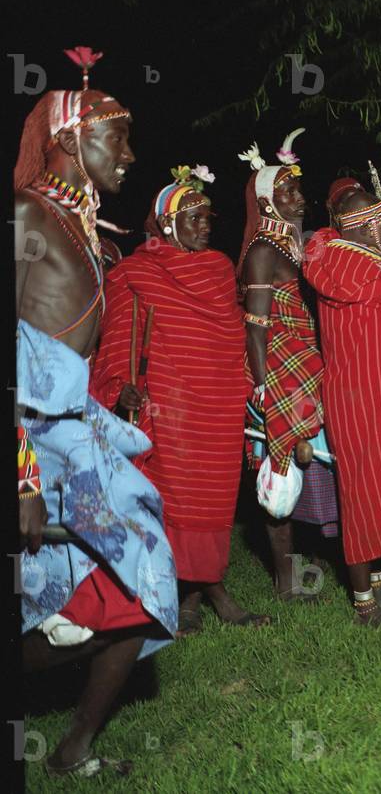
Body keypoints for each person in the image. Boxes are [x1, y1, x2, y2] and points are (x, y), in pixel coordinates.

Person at [14, 52, 177, 776]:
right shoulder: (26, 214)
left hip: (78, 440)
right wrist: (19, 473)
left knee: (137, 587)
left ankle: (74, 745)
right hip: (30, 447)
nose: (132, 155)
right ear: (72, 136)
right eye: (120, 137)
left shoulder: (89, 232)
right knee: (54, 605)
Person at [89, 165, 268, 636]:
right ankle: (195, 594)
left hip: (217, 403)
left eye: (207, 215)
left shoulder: (218, 268)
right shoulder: (138, 271)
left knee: (213, 502)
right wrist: (120, 386)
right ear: (167, 225)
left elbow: (229, 334)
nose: (206, 224)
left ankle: (196, 593)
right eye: (193, 217)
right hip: (169, 408)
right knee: (175, 502)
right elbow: (119, 341)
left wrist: (243, 385)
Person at [303, 165, 381, 625]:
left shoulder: (346, 259)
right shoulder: (363, 267)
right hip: (359, 394)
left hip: (372, 389)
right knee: (362, 492)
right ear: (368, 223)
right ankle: (364, 603)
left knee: (376, 485)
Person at [237, 130, 332, 600]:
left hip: (306, 363)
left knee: (316, 462)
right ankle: (285, 580)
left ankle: (314, 565)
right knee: (280, 465)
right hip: (278, 368)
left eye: (298, 190)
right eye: (287, 193)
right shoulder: (262, 251)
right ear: (267, 202)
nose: (299, 199)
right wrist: (261, 386)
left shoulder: (293, 247)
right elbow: (256, 326)